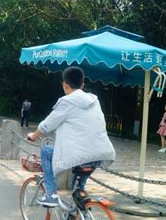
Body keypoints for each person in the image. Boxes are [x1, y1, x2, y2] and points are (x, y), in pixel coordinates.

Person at [27, 66, 115, 207]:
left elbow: (47, 125)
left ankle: (51, 194)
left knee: (46, 151)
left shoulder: (66, 102)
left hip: (80, 155)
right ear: (83, 85)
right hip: (101, 153)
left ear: (65, 85)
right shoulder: (94, 100)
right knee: (78, 191)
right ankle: (80, 219)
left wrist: (33, 135)